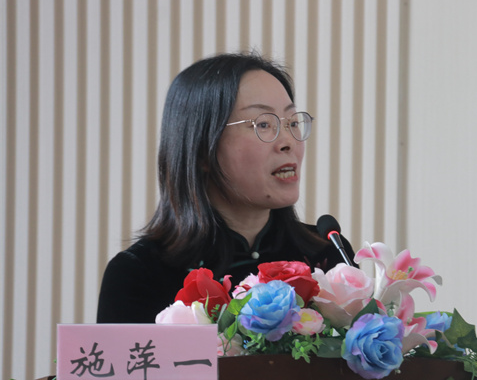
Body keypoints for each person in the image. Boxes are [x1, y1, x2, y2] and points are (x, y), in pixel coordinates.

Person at [97, 52, 354, 323]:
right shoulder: (140, 274)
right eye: (263, 124)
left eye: (292, 123)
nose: (288, 141)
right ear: (202, 150)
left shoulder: (327, 255)